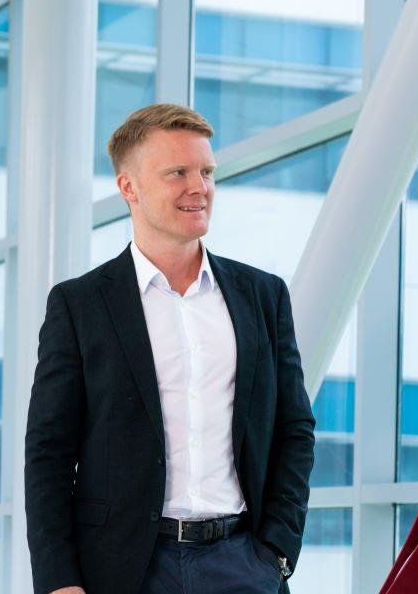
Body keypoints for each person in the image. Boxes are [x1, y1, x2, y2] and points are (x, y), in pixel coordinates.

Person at [24, 103, 316, 594]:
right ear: (129, 188)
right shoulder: (80, 304)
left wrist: (278, 551)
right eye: (177, 172)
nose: (198, 187)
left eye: (206, 171)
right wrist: (58, 581)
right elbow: (49, 452)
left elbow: (294, 426)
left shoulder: (263, 296)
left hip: (245, 563)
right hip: (124, 570)